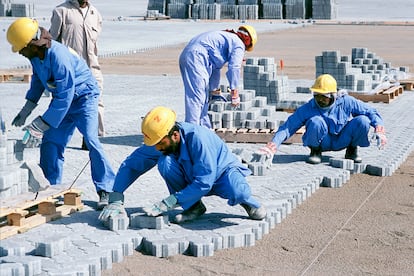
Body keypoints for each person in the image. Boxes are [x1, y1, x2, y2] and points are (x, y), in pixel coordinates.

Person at [7, 17, 114, 209]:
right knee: (51, 141)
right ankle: (50, 187)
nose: (21, 53)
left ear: (32, 43)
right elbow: (39, 81)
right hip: (64, 101)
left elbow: (66, 95)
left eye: (21, 48)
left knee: (91, 139)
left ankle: (106, 189)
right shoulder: (36, 55)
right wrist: (27, 109)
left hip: (84, 98)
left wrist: (41, 123)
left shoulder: (58, 56)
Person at [98, 106, 266, 224]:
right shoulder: (162, 140)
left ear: (175, 135)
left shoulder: (199, 140)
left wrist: (170, 201)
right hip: (194, 175)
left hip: (222, 175)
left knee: (239, 191)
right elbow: (132, 165)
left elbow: (204, 183)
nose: (157, 148)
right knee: (165, 162)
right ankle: (194, 207)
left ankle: (248, 203)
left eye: (159, 143)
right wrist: (116, 198)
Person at [258, 74, 387, 164]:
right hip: (322, 142)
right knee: (315, 121)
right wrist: (273, 145)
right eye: (317, 96)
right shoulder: (309, 107)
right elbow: (288, 127)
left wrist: (379, 128)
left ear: (333, 95)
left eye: (323, 97)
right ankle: (315, 152)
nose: (319, 100)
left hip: (343, 140)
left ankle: (352, 150)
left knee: (363, 121)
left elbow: (371, 112)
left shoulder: (346, 101)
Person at [49, 0, 105, 150]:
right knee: (66, 102)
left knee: (96, 102)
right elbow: (51, 42)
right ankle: (56, 138)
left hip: (92, 68)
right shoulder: (61, 11)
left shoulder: (95, 14)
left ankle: (90, 138)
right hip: (71, 69)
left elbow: (95, 44)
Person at [179, 25, 257, 128]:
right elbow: (234, 67)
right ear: (248, 41)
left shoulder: (226, 37)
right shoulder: (239, 44)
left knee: (202, 97)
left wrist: (214, 90)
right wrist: (234, 93)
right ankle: (191, 132)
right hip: (196, 57)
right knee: (196, 97)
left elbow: (215, 67)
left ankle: (205, 130)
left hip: (188, 55)